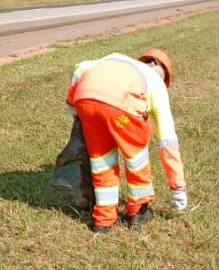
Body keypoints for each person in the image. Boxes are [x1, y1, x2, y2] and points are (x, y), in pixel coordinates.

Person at [65, 49, 187, 234]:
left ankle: (103, 220)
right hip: (122, 111)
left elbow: (80, 67)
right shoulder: (157, 84)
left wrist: (70, 103)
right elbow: (167, 141)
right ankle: (138, 211)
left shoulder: (116, 59)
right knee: (136, 156)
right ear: (163, 75)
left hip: (86, 101)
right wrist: (178, 188)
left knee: (100, 160)